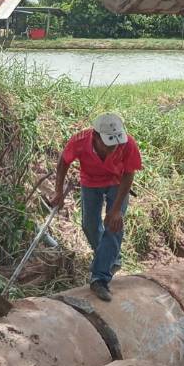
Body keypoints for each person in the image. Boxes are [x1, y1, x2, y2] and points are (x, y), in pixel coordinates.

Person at [52, 113, 143, 302]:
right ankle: (110, 259)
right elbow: (63, 162)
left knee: (113, 225)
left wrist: (117, 209)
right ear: (95, 136)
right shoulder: (79, 141)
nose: (113, 148)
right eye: (108, 144)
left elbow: (128, 174)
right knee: (89, 225)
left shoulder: (128, 143)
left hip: (117, 182)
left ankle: (100, 279)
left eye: (116, 143)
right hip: (90, 182)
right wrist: (58, 192)